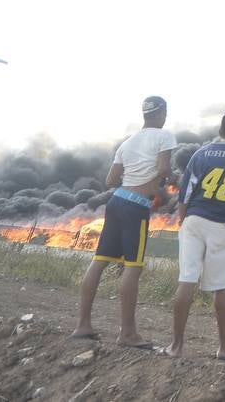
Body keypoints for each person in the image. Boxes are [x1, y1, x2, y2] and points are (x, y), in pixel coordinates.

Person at [71, 95, 177, 348]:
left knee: (99, 262)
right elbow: (163, 170)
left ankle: (83, 325)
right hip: (135, 207)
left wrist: (135, 176)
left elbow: (110, 180)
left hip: (116, 201)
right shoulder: (164, 136)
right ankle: (127, 333)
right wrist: (173, 180)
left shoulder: (127, 143)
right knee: (133, 266)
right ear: (161, 112)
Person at [164, 110, 225, 360]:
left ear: (221, 128)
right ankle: (223, 348)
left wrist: (184, 220)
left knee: (186, 281)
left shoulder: (201, 153)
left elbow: (185, 194)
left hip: (195, 220)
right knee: (222, 287)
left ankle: (176, 346)